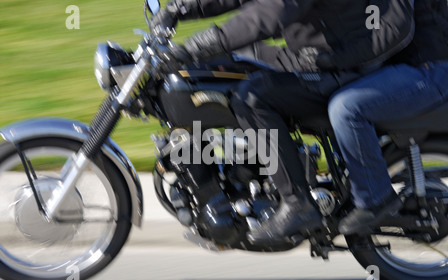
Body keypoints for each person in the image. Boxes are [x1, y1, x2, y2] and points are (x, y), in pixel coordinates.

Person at [151, 0, 415, 245]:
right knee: (232, 62)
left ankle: (296, 202)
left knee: (252, 98)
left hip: (342, 60)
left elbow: (272, 12)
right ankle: (249, 173)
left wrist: (198, 45)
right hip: (316, 51)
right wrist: (180, 8)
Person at [327, 0, 448, 236]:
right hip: (404, 63)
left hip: (428, 67)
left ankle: (376, 198)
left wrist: (335, 59)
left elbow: (395, 29)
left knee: (347, 108)